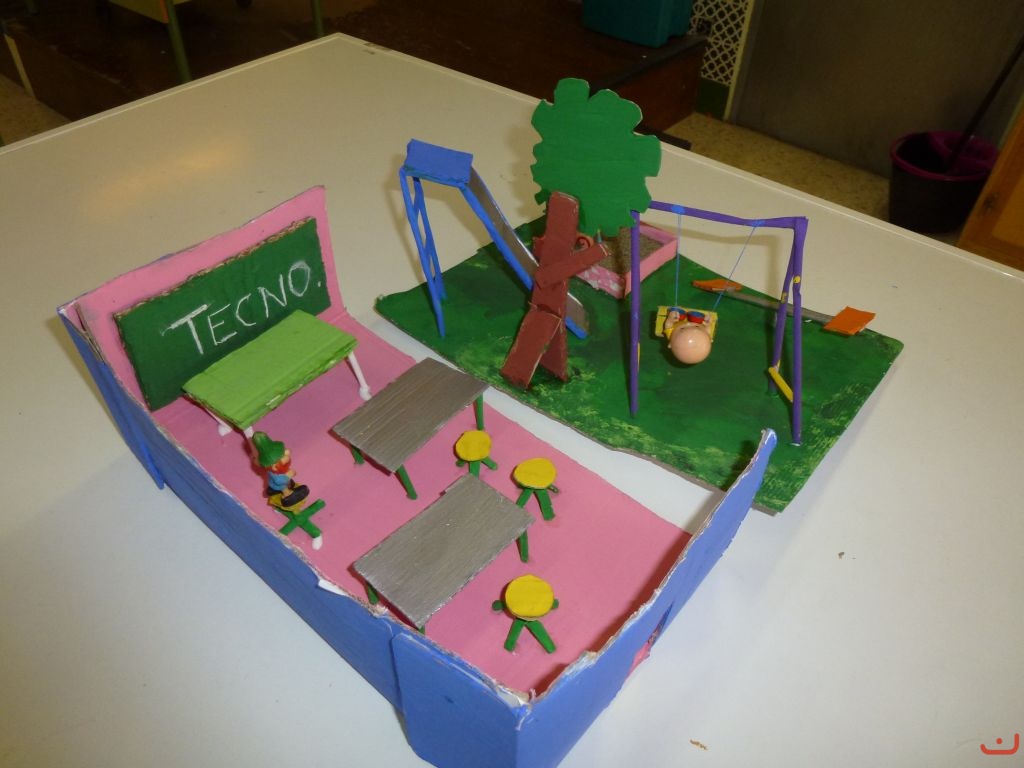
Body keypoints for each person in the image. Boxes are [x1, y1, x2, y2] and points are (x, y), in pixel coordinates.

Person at [251, 432, 309, 507]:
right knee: (284, 488)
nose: (287, 453)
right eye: (282, 456)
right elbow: (279, 481)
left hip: (284, 480)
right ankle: (287, 495)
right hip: (279, 485)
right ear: (274, 466)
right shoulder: (275, 474)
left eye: (283, 452)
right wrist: (288, 475)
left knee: (288, 482)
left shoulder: (277, 468)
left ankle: (289, 485)